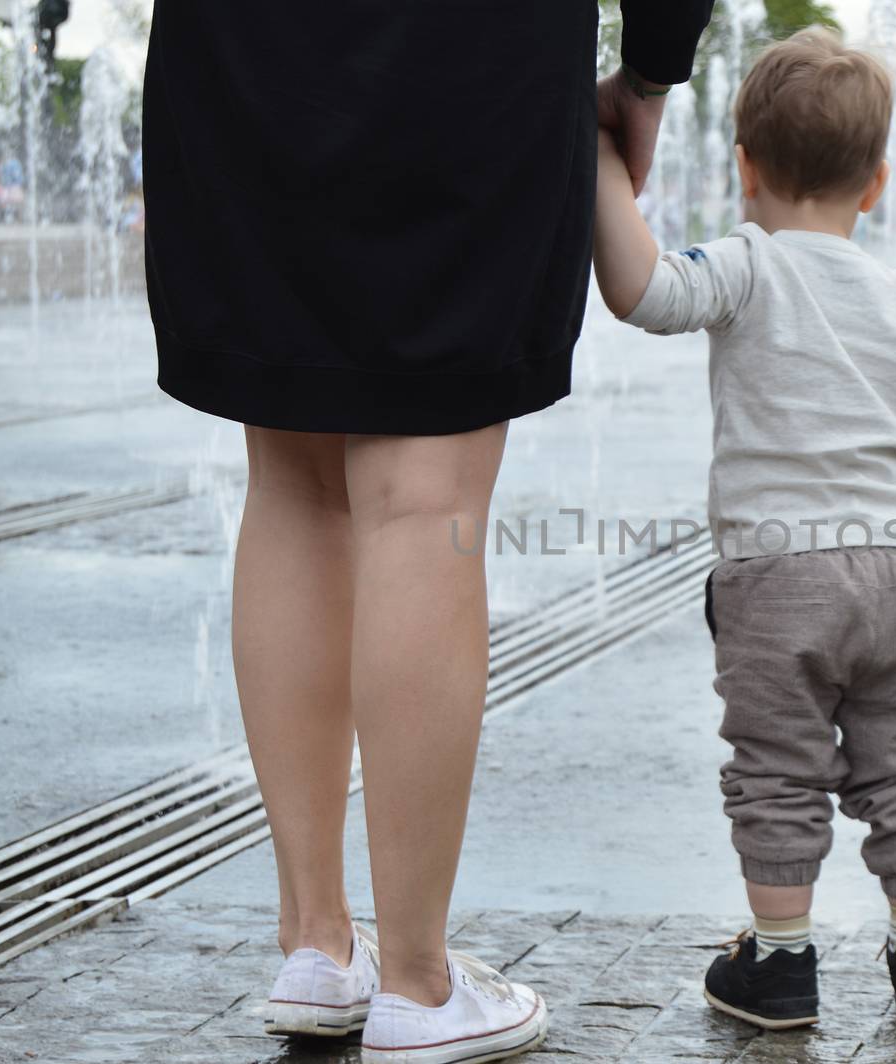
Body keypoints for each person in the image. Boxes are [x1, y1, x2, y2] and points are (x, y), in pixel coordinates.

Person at [142, 3, 713, 1062]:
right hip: (469, 49)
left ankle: (315, 943)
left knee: (292, 472)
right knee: (424, 488)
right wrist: (647, 72)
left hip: (236, 49)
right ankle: (415, 977)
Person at [592, 29, 896, 1032]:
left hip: (778, 575)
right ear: (874, 184)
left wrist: (603, 166)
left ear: (743, 170)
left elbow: (641, 290)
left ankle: (780, 966)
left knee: (778, 769)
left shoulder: (747, 265)